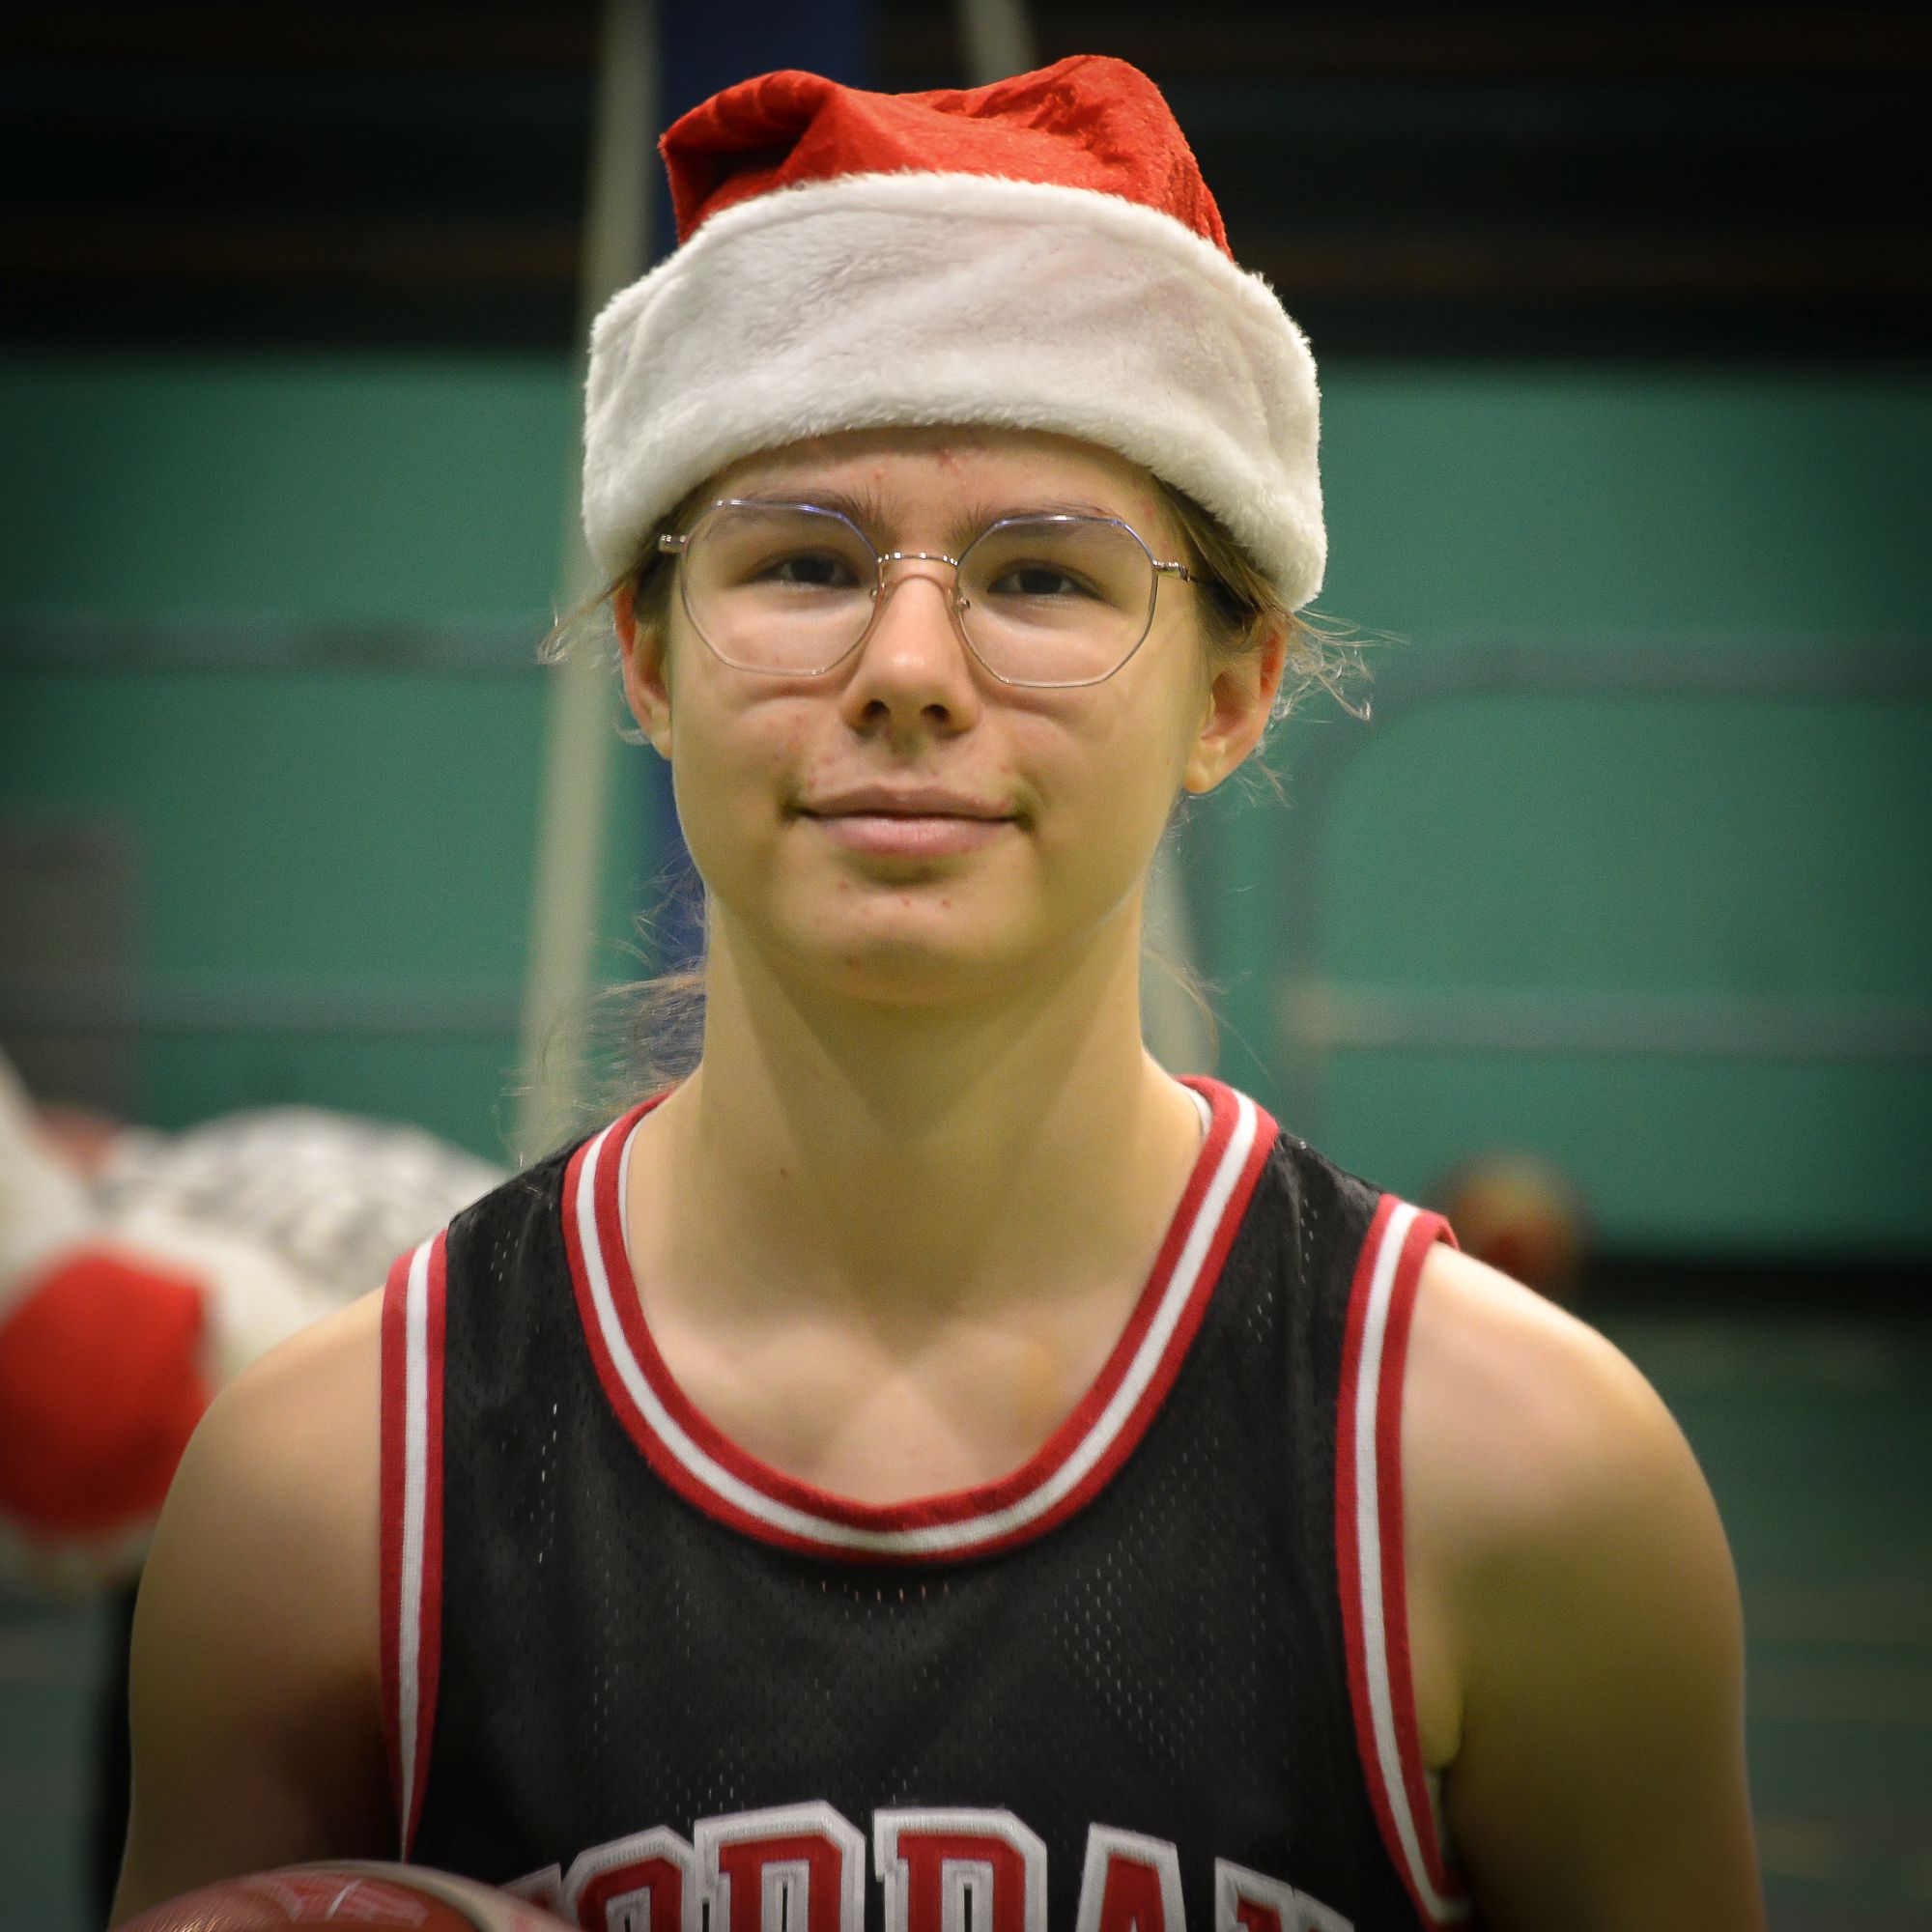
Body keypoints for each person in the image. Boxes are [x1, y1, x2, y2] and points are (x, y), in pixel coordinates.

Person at [110, 56, 1765, 1932]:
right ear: (645, 655)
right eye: (804, 563)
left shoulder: (1512, 1480)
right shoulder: (334, 1493)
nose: (907, 665)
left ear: (1232, 692)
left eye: (1043, 578)